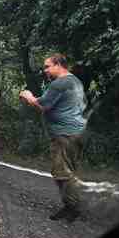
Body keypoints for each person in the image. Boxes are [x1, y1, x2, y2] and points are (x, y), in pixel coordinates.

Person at [19, 54, 87, 222]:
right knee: (68, 170)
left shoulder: (60, 83)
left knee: (62, 173)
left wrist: (28, 96)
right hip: (76, 132)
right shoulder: (75, 81)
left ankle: (73, 208)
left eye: (48, 66)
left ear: (58, 65)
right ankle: (71, 206)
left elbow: (42, 105)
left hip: (64, 135)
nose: (45, 70)